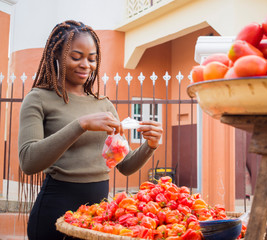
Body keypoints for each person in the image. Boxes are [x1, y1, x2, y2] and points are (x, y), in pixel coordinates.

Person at [18, 20, 163, 240]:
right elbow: (28, 162)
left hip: (99, 215)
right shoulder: (38, 99)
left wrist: (150, 146)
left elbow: (124, 165)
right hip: (55, 210)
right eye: (76, 57)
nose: (85, 64)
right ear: (57, 54)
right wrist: (80, 125)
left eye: (92, 58)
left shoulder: (103, 105)